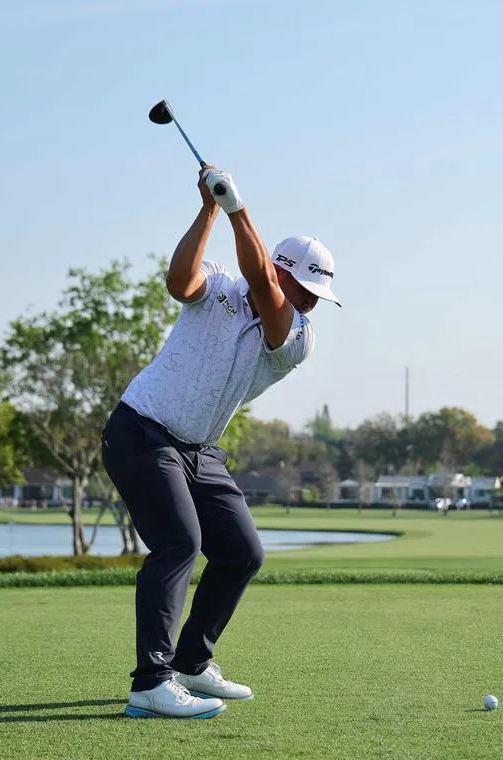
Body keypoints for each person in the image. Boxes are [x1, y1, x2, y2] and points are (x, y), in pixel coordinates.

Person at [101, 165, 341, 719]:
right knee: (179, 544)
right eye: (308, 292)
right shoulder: (219, 288)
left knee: (241, 553)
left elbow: (263, 285)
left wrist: (239, 208)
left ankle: (190, 664)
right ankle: (151, 683)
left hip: (197, 450)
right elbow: (178, 282)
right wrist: (210, 208)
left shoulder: (296, 337)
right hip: (141, 430)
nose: (310, 305)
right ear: (288, 276)